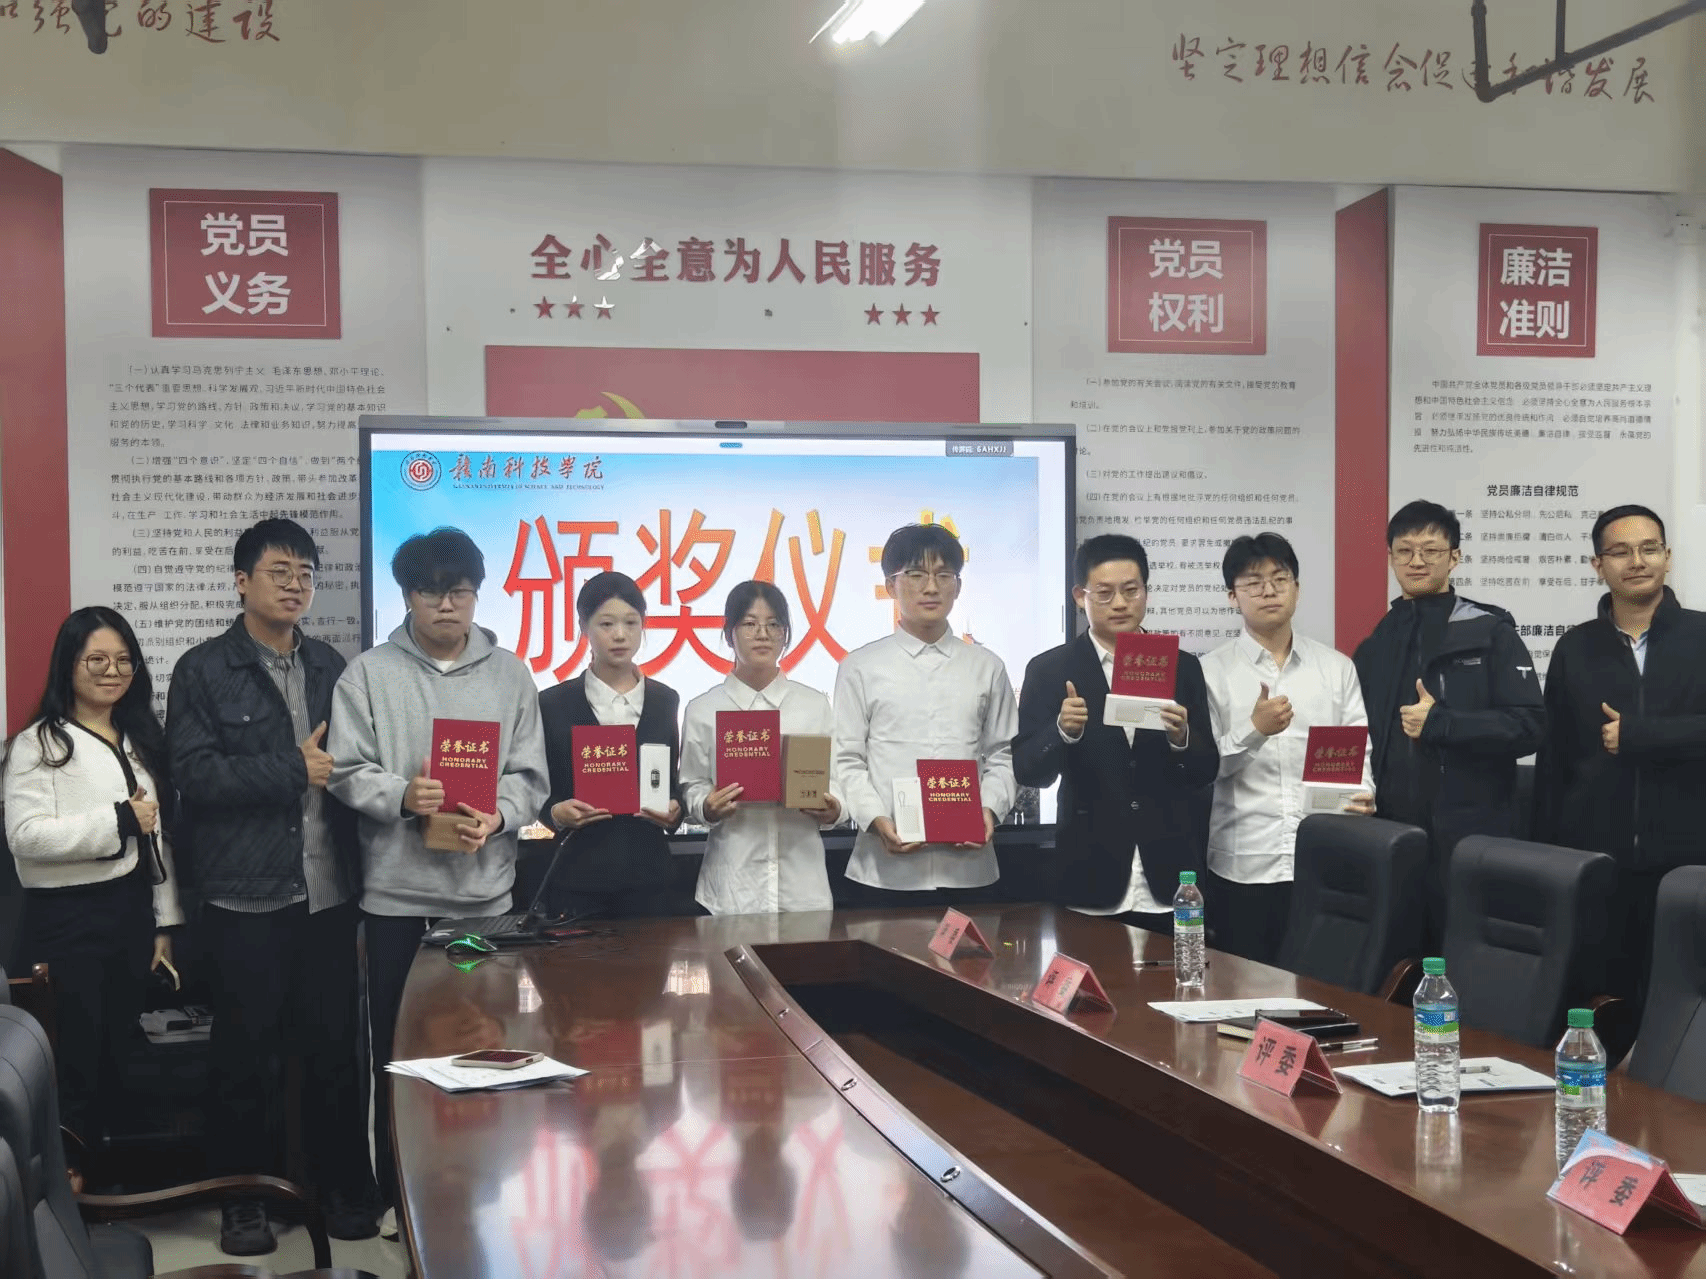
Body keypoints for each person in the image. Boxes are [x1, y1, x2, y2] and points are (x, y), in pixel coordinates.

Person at [326, 526, 549, 1228]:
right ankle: (400, 1193)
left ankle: (480, 1175)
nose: (446, 604)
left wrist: (500, 814)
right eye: (430, 592)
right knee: (399, 1053)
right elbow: (344, 770)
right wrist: (402, 795)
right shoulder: (367, 674)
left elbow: (531, 776)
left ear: (477, 594)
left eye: (459, 591)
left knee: (483, 1046)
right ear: (407, 596)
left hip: (482, 901)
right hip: (395, 901)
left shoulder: (510, 674)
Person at [167, 518, 374, 1255]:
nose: (295, 585)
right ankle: (243, 1200)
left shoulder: (328, 665)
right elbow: (193, 774)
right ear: (241, 581)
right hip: (244, 896)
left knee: (333, 1051)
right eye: (280, 571)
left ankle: (340, 1188)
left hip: (327, 893)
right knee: (244, 1058)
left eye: (306, 574)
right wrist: (292, 767)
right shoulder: (203, 668)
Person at [5, 608, 181, 1181]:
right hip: (65, 923)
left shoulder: (141, 739)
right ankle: (65, 1191)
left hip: (129, 916)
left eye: (124, 660)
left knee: (117, 1055)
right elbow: (25, 837)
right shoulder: (37, 744)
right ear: (69, 666)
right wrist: (118, 820)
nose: (113, 671)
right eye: (97, 660)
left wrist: (164, 924)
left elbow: (159, 842)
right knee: (71, 1062)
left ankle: (108, 1183)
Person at [1534, 505, 1706, 1014]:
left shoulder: (1702, 637)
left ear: (1667, 557)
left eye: (1649, 548)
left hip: (1689, 866)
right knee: (1606, 1004)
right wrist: (1548, 860)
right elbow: (1553, 763)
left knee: (1680, 1010)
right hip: (1598, 864)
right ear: (1598, 565)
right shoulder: (1575, 648)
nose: (1637, 561)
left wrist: (1642, 735)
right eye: (1620, 551)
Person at [1353, 500, 1544, 949]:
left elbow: (1529, 726)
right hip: (1391, 833)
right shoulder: (1374, 645)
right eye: (1405, 551)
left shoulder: (1490, 632)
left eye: (1431, 550)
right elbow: (1359, 736)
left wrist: (1442, 724)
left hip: (1470, 834)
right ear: (1391, 558)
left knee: (1464, 955)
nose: (1416, 561)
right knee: (1396, 954)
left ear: (1454, 557)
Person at [1012, 534, 1217, 932]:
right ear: (1080, 596)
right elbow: (1028, 771)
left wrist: (1182, 739)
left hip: (1170, 877)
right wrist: (1061, 732)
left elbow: (1205, 770)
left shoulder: (1183, 667)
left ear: (1146, 591)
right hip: (1089, 873)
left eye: (1131, 590)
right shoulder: (1050, 670)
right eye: (1104, 593)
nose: (1120, 604)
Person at [1200, 533, 1374, 965]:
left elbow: (1359, 751)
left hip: (1325, 859)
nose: (1269, 591)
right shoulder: (1209, 672)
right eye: (1253, 582)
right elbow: (1205, 768)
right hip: (1244, 862)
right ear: (1232, 596)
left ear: (1297, 588)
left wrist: (1364, 792)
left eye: (1280, 579)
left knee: (1323, 985)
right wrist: (1254, 730)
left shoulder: (1336, 668)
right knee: (1247, 987)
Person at [833, 524, 1017, 904]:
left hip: (969, 869)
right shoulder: (860, 666)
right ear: (891, 585)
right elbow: (847, 759)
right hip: (883, 871)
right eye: (916, 574)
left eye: (944, 575)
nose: (931, 587)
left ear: (958, 587)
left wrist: (990, 810)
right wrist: (875, 820)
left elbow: (1004, 754)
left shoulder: (987, 667)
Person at [680, 581, 842, 914]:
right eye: (750, 624)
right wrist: (706, 806)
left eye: (774, 624)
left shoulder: (813, 706)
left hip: (802, 888)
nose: (763, 634)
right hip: (731, 889)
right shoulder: (703, 709)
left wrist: (834, 808)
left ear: (785, 634)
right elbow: (692, 784)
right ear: (730, 635)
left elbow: (839, 778)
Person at [537, 571, 684, 918]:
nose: (620, 635)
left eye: (631, 623)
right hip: (577, 881)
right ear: (583, 627)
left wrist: (676, 810)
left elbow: (671, 782)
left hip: (650, 880)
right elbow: (538, 786)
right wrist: (554, 813)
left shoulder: (665, 700)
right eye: (606, 624)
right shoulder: (553, 703)